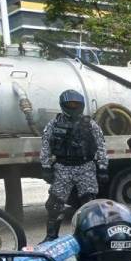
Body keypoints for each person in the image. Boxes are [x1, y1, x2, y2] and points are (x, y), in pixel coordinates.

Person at [40, 89, 108, 243]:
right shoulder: (54, 124)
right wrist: (46, 167)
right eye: (70, 104)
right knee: (54, 204)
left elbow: (101, 146)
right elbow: (45, 145)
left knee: (89, 204)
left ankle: (90, 237)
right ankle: (51, 237)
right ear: (63, 105)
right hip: (63, 167)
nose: (73, 107)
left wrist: (103, 168)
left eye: (76, 104)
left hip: (86, 167)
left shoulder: (90, 124)